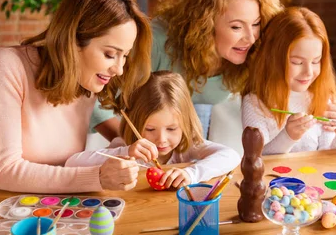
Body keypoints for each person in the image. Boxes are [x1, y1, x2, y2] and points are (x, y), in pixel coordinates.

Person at [0, 0, 152, 193]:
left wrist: (125, 151)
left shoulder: (87, 84)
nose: (119, 69)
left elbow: (63, 167)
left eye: (124, 56)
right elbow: (6, 171)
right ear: (74, 40)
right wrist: (98, 177)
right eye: (110, 54)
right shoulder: (4, 66)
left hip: (36, 206)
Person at [91, 0, 336, 139]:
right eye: (236, 27)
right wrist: (131, 145)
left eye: (256, 24)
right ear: (206, 24)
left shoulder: (254, 50)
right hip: (135, 133)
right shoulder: (157, 41)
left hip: (189, 131)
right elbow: (99, 103)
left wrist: (321, 107)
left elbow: (287, 82)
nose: (250, 37)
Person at [68, 71, 240, 189]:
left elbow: (231, 155)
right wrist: (127, 151)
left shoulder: (186, 148)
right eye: (150, 129)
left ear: (185, 123)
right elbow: (73, 163)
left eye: (172, 128)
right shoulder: (126, 147)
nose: (162, 139)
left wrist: (192, 173)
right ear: (134, 124)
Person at [242, 7, 336, 155]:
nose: (308, 72)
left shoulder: (324, 97)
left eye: (316, 61)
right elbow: (256, 157)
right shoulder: (255, 104)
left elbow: (325, 151)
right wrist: (288, 136)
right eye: (297, 62)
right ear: (273, 60)